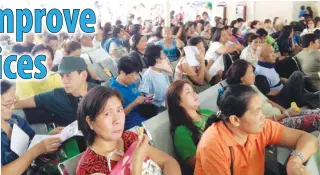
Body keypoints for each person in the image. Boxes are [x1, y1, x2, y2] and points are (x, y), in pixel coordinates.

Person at [194, 84, 318, 175]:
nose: (263, 116)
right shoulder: (213, 146)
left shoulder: (260, 127)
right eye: (257, 112)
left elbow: (308, 139)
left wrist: (295, 162)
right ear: (235, 120)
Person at [76, 86, 181, 175]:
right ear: (90, 122)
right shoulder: (90, 168)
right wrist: (137, 159)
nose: (117, 120)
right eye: (107, 113)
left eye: (119, 110)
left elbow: (169, 162)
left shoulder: (129, 138)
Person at [1, 80, 63, 174]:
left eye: (14, 101)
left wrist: (48, 137)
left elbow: (31, 141)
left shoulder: (15, 120)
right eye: (8, 103)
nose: (13, 107)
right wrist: (37, 150)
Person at [14, 56, 98, 125]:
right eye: (61, 76)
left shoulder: (100, 94)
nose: (64, 81)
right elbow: (18, 103)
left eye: (68, 75)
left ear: (83, 75)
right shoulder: (56, 95)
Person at [167, 80, 215, 169]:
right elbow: (195, 162)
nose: (194, 94)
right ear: (179, 102)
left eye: (193, 91)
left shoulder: (206, 113)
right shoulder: (181, 131)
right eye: (188, 92)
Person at [255, 44, 306, 108]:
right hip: (279, 98)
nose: (275, 55)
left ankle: (301, 99)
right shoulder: (260, 74)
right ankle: (298, 104)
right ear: (261, 57)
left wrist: (288, 82)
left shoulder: (268, 65)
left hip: (282, 90)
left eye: (273, 52)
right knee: (297, 75)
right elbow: (266, 95)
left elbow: (274, 79)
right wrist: (285, 88)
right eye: (271, 53)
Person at [109, 57, 148, 130]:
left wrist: (146, 99)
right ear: (122, 73)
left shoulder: (131, 82)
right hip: (130, 122)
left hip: (142, 114)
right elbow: (117, 116)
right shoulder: (113, 90)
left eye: (136, 74)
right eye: (132, 75)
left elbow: (138, 96)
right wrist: (134, 103)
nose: (135, 78)